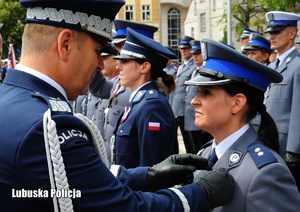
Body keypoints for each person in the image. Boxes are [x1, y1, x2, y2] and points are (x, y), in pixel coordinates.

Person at [0, 0, 235, 211]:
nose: (102, 66)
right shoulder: (46, 127)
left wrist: (148, 176)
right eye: (98, 51)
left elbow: (79, 183)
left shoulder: (12, 100)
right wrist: (200, 193)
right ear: (66, 44)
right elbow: (124, 207)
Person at [185, 38, 300, 211]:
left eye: (206, 93)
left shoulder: (265, 172)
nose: (195, 101)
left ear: (237, 103)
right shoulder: (207, 153)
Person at [89, 20, 159, 164]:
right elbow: (98, 88)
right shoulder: (119, 83)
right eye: (118, 46)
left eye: (122, 46)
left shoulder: (147, 91)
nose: (118, 52)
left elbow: (150, 158)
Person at [112, 28, 177, 168]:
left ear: (145, 67)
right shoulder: (139, 101)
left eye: (124, 61)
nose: (118, 67)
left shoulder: (152, 107)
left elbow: (150, 172)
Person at [264, 11, 300, 191]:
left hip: (286, 145)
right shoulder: (272, 67)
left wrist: (294, 150)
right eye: (270, 32)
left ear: (292, 33)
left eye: (277, 32)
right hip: (269, 141)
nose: (272, 36)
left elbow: (298, 110)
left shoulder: (298, 66)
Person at [185, 40, 212, 153]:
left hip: (201, 121)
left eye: (198, 54)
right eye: (193, 54)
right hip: (191, 118)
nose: (195, 57)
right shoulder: (195, 72)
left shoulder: (207, 72)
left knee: (201, 151)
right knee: (193, 150)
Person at [172, 35, 197, 153]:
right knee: (185, 140)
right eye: (181, 49)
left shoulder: (194, 66)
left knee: (191, 141)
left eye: (186, 48)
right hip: (178, 108)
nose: (183, 51)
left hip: (187, 107)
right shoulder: (182, 67)